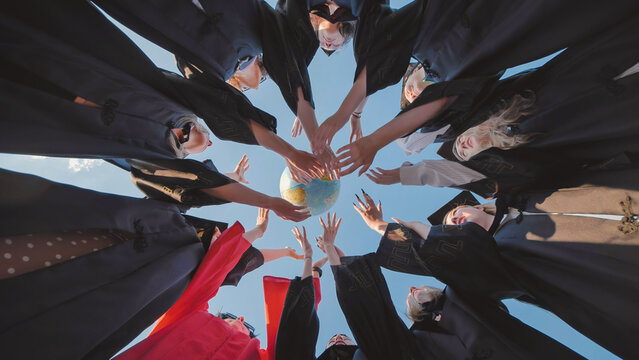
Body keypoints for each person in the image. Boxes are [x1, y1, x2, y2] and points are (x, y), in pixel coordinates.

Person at [314, 0, 639, 176]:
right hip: (535, 19)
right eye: (410, 100)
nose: (412, 93)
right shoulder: (458, 78)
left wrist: (349, 114)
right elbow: (437, 107)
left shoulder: (419, 35)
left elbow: (379, 50)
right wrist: (374, 139)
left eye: (408, 88)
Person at [353, 181, 639, 359]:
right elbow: (456, 260)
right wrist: (389, 228)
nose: (455, 219)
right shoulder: (497, 258)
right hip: (616, 276)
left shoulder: (526, 197)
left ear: (480, 206)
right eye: (451, 229)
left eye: (456, 214)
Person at [367, 15, 639, 196]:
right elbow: (454, 172)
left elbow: (447, 105)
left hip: (582, 69)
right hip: (602, 116)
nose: (461, 147)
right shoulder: (518, 153)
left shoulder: (498, 104)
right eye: (464, 154)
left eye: (459, 142)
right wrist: (408, 174)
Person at [0, 168, 259, 358]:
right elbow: (212, 274)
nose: (241, 319)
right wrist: (245, 230)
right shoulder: (191, 306)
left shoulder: (245, 348)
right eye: (238, 319)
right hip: (118, 246)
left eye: (243, 323)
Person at [92, 0, 341, 179]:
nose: (254, 85)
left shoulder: (202, 71)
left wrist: (288, 151)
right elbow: (288, 65)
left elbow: (224, 110)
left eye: (241, 91)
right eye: (263, 79)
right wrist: (313, 133)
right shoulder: (259, 33)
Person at [315, 208, 582, 360]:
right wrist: (341, 266)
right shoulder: (416, 339)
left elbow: (438, 255)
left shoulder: (464, 292)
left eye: (416, 287)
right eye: (409, 294)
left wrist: (382, 226)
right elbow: (377, 326)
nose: (411, 288)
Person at [114, 212, 325, 359]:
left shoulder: (260, 355)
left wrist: (310, 264)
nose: (241, 318)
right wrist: (257, 231)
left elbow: (299, 322)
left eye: (241, 321)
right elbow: (219, 267)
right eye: (234, 317)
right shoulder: (190, 314)